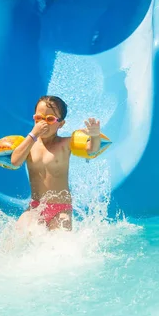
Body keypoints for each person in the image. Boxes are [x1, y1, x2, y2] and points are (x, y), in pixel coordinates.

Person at [11, 96, 101, 231]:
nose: (43, 124)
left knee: (59, 241)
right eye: (39, 118)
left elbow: (92, 150)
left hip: (61, 210)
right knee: (19, 232)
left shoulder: (65, 144)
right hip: (35, 207)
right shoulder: (29, 145)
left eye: (50, 119)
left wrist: (95, 136)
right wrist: (33, 135)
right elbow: (15, 162)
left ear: (61, 123)